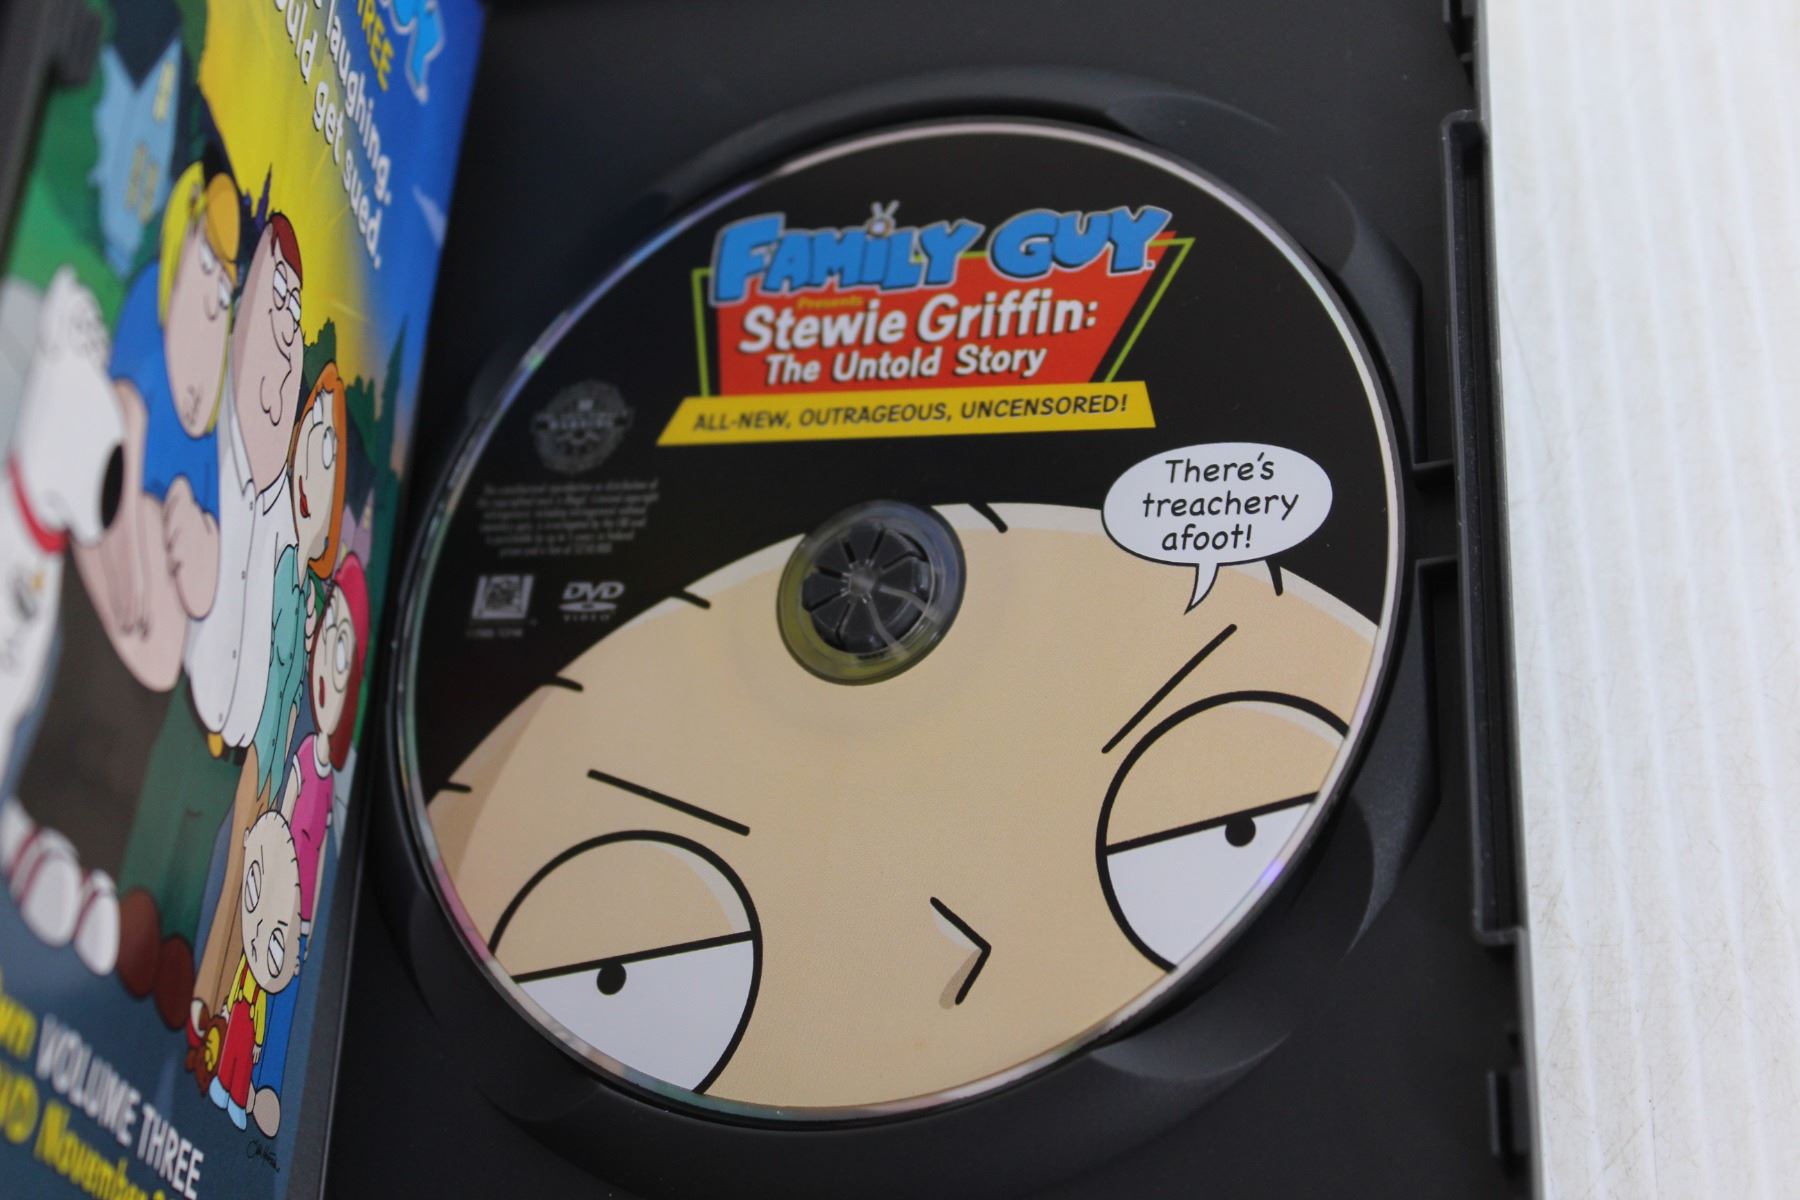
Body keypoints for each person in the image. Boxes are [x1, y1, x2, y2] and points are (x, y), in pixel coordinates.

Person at [116, 214, 305, 1025]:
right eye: (274, 312)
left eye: (295, 326)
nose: (284, 348)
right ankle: (131, 914)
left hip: (236, 752)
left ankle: (173, 954)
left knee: (198, 863)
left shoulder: (283, 515)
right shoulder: (218, 447)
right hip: (187, 713)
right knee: (158, 830)